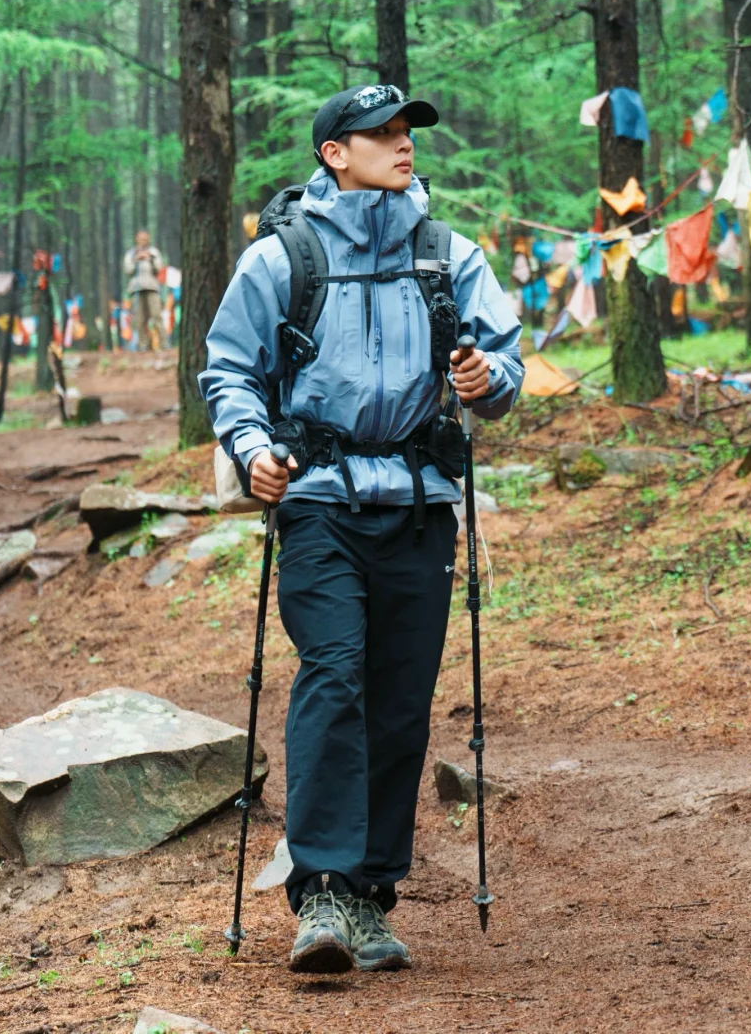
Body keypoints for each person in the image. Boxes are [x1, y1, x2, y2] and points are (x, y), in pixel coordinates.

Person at [200, 84, 523, 976]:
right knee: (334, 674)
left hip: (420, 501)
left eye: (406, 131)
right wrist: (255, 446)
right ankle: (324, 892)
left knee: (399, 700)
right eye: (380, 134)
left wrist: (483, 379)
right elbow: (228, 368)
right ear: (334, 153)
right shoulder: (283, 259)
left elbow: (508, 362)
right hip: (316, 502)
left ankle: (373, 896)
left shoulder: (448, 255)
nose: (401, 144)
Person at [123, 230, 164, 352]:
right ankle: (142, 344)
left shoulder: (154, 252)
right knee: (139, 318)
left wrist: (150, 258)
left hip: (152, 287)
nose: (143, 242)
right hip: (136, 288)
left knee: (156, 315)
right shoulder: (131, 253)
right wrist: (136, 259)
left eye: (145, 239)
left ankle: (163, 342)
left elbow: (159, 268)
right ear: (137, 239)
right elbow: (128, 270)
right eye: (141, 239)